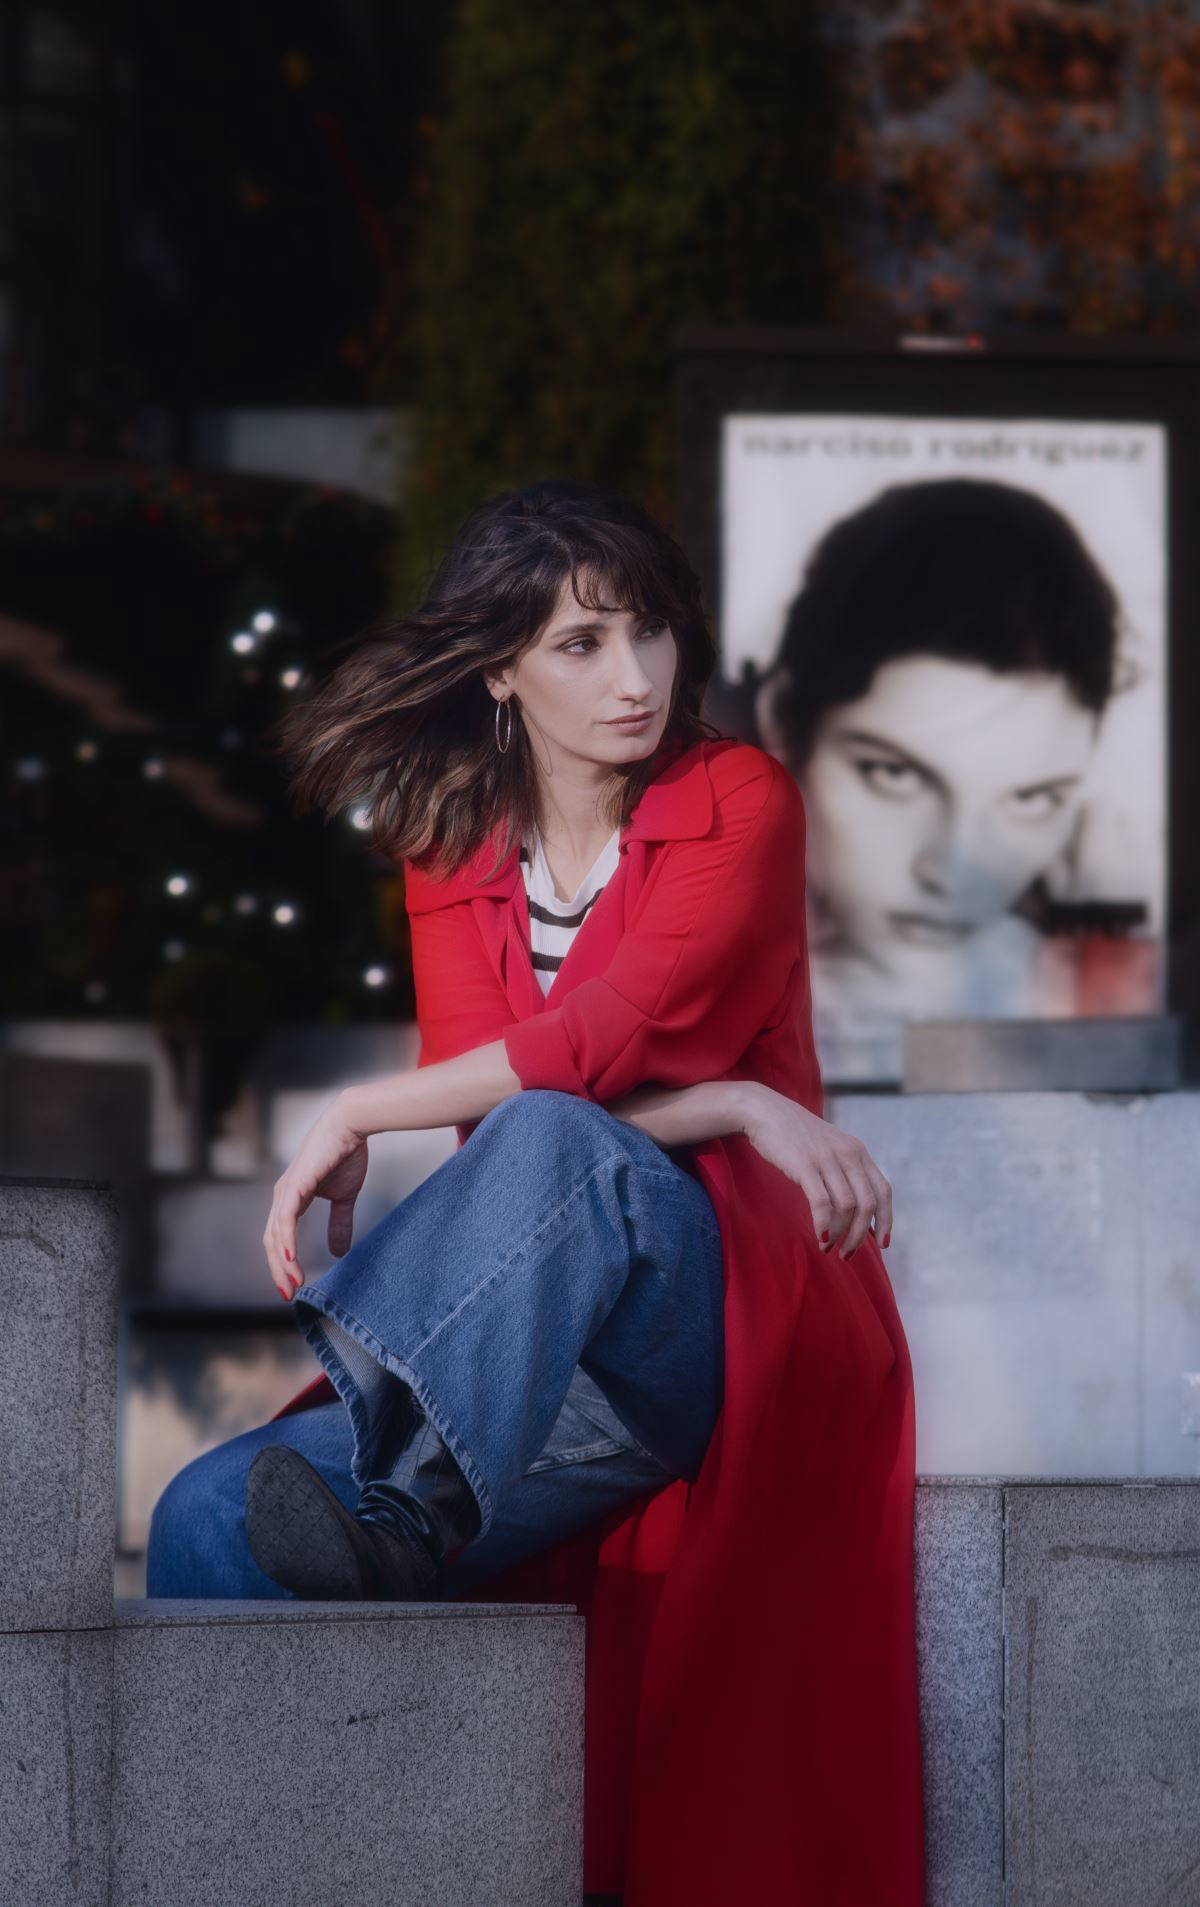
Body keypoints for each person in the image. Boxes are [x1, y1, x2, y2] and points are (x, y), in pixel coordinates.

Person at [146, 478, 925, 1907]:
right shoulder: (453, 842)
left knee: (565, 1141)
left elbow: (589, 1055)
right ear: (500, 668)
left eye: (650, 630)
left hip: (721, 1313)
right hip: (538, 1338)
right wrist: (738, 1100)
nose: (634, 676)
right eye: (581, 643)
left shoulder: (737, 800)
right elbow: (501, 1103)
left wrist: (360, 1105)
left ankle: (410, 1504)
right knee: (206, 1514)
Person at [747, 477, 1153, 1077]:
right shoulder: (699, 972)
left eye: (1033, 798)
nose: (956, 871)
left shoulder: (1078, 995)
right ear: (782, 722)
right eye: (893, 775)